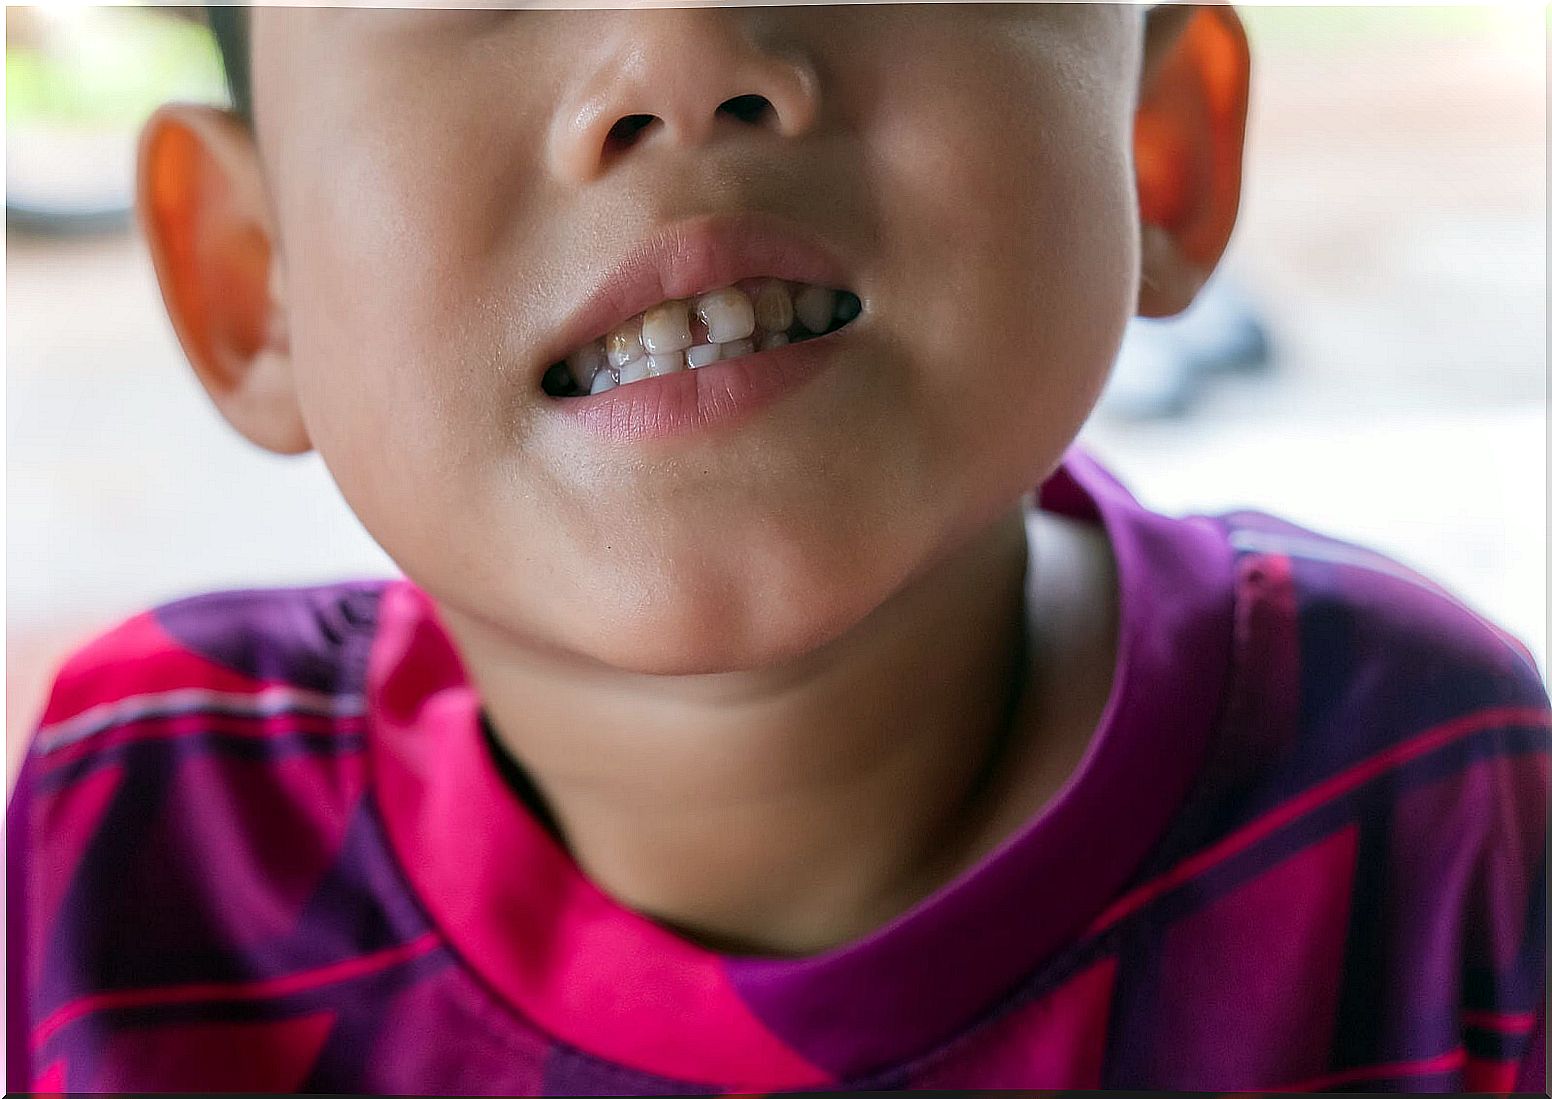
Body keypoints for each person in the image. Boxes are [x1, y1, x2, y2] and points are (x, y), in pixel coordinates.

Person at [6, 4, 1546, 1093]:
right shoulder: (147, 844)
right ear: (250, 279)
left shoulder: (1430, 813)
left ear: (1156, 146)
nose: (682, 54)